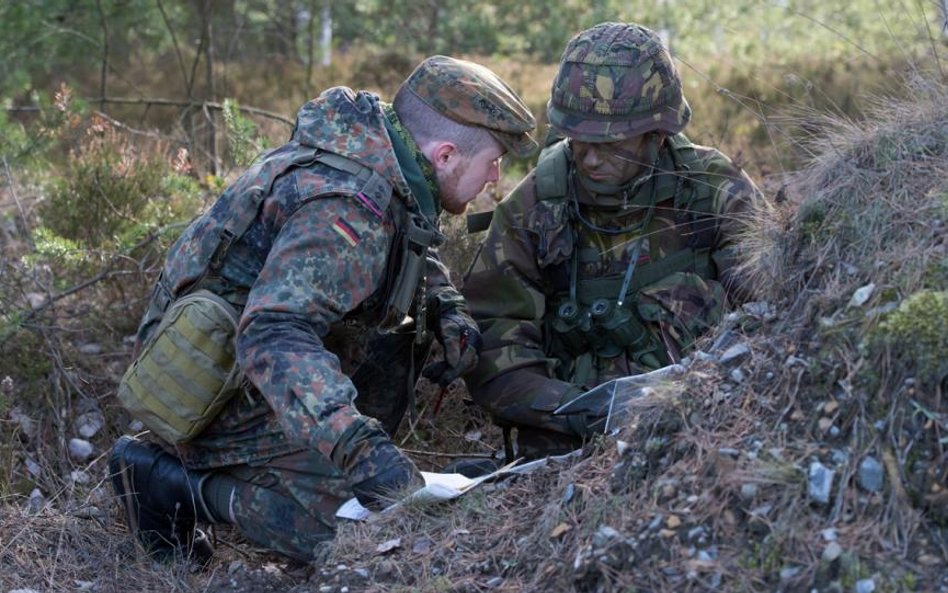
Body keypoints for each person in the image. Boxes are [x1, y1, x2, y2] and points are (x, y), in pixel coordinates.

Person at [109, 55, 536, 563]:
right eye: (493, 160)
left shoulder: (384, 159)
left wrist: (446, 306)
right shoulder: (349, 205)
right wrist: (360, 447)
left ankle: (309, 463)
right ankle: (170, 482)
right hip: (209, 392)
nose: (496, 176)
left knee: (401, 342)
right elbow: (272, 332)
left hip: (243, 370)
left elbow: (407, 241)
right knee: (371, 542)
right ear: (445, 155)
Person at [462, 22, 766, 460]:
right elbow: (495, 350)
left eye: (609, 143)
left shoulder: (712, 192)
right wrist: (587, 411)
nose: (587, 158)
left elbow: (768, 322)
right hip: (571, 447)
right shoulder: (535, 206)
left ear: (656, 133)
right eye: (577, 139)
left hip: (712, 426)